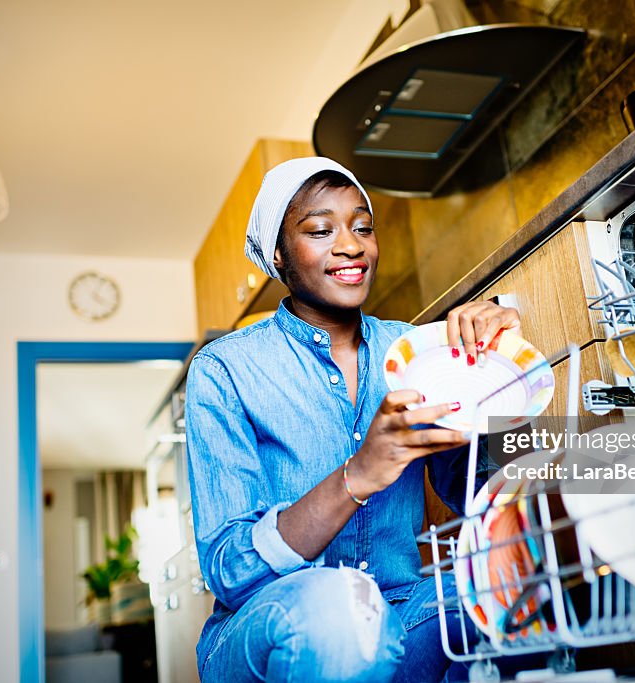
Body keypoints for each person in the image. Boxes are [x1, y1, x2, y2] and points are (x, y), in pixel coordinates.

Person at [185, 157, 521, 682]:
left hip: (404, 607)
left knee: (500, 596)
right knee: (336, 611)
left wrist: (495, 374)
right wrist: (358, 475)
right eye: (320, 230)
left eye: (363, 227)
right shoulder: (225, 370)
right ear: (277, 253)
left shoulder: (411, 349)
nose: (351, 245)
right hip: (268, 621)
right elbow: (231, 571)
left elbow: (479, 494)